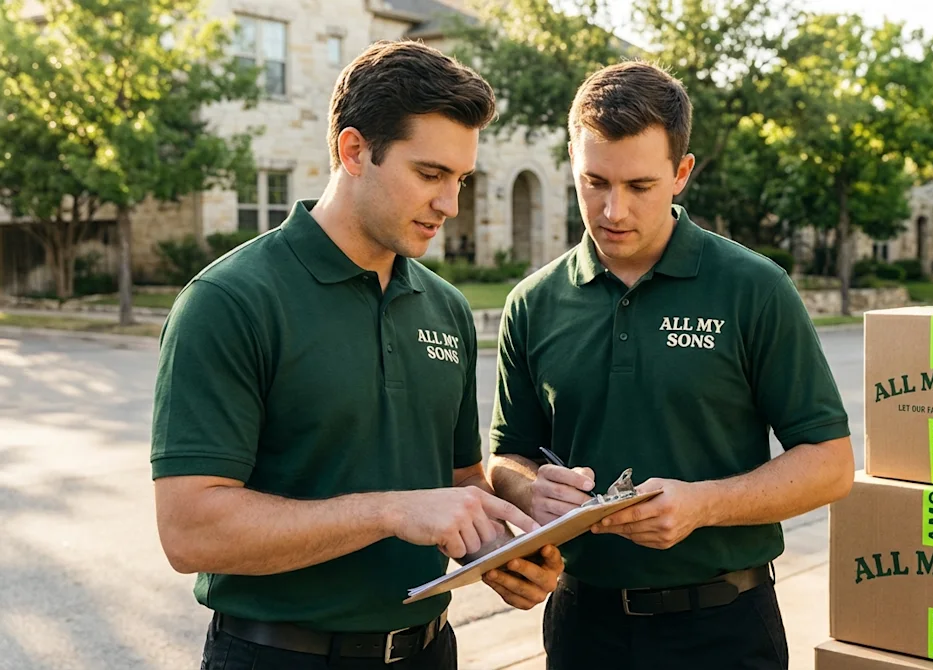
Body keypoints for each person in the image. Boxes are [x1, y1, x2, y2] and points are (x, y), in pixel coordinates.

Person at [150, 40, 562, 670]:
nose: (450, 204)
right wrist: (392, 511)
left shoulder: (444, 308)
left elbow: (456, 485)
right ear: (353, 150)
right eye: (429, 174)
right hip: (280, 655)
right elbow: (189, 531)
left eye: (460, 179)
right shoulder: (229, 302)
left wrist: (502, 554)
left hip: (430, 651)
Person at [486, 61, 856, 669]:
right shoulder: (533, 302)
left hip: (723, 627)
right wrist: (530, 490)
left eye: (639, 186)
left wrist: (702, 504)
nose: (612, 210)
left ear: (681, 173)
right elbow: (505, 456)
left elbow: (831, 465)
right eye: (593, 182)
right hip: (583, 627)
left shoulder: (754, 288)